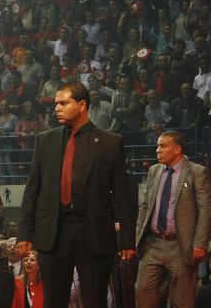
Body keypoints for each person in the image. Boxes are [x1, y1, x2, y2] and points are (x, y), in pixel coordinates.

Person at [17, 81, 136, 307]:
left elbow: (122, 195)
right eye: (56, 104)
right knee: (53, 300)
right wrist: (24, 233)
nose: (57, 108)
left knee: (94, 300)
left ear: (82, 105)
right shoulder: (45, 140)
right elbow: (32, 189)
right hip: (53, 232)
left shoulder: (111, 142)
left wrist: (127, 240)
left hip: (94, 233)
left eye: (63, 103)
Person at [135, 130, 211, 307]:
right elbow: (144, 206)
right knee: (143, 295)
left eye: (162, 146)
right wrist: (138, 235)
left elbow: (205, 210)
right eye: (157, 146)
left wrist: (200, 243)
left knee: (182, 300)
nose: (157, 150)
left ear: (177, 149)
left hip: (181, 245)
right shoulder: (154, 170)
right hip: (152, 244)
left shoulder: (197, 172)